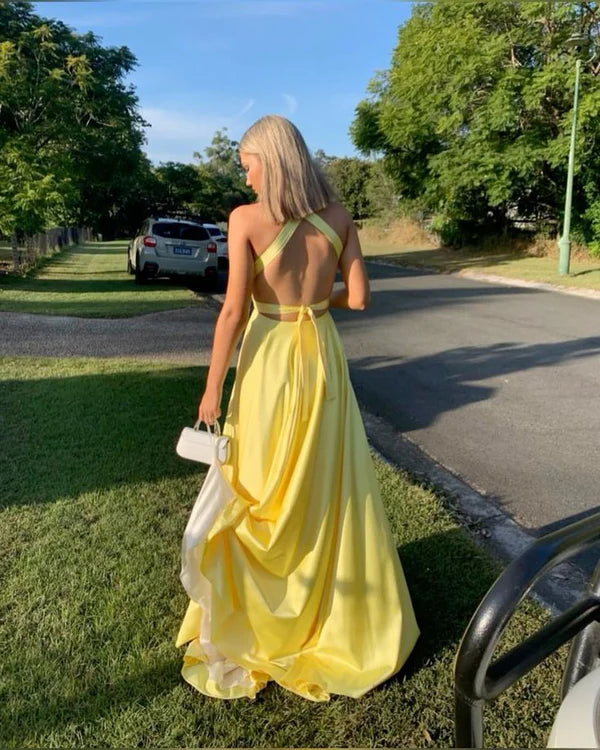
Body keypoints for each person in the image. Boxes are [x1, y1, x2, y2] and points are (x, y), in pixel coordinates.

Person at [176, 114, 419, 701]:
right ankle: (328, 609)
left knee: (260, 483)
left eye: (249, 166)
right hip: (323, 360)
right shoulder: (340, 217)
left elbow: (233, 311)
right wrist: (315, 300)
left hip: (270, 361)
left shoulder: (245, 220)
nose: (247, 178)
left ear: (273, 161)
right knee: (324, 483)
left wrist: (212, 387)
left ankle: (265, 615)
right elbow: (359, 297)